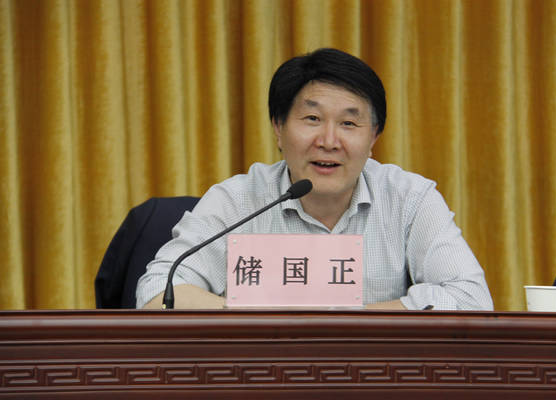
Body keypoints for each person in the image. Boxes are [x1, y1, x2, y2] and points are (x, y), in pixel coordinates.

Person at [136, 48, 494, 310]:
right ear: (278, 128)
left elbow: (471, 298)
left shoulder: (409, 198)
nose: (329, 141)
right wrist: (256, 317)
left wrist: (349, 322)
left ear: (373, 138)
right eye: (312, 119)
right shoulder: (238, 200)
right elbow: (156, 292)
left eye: (349, 123)